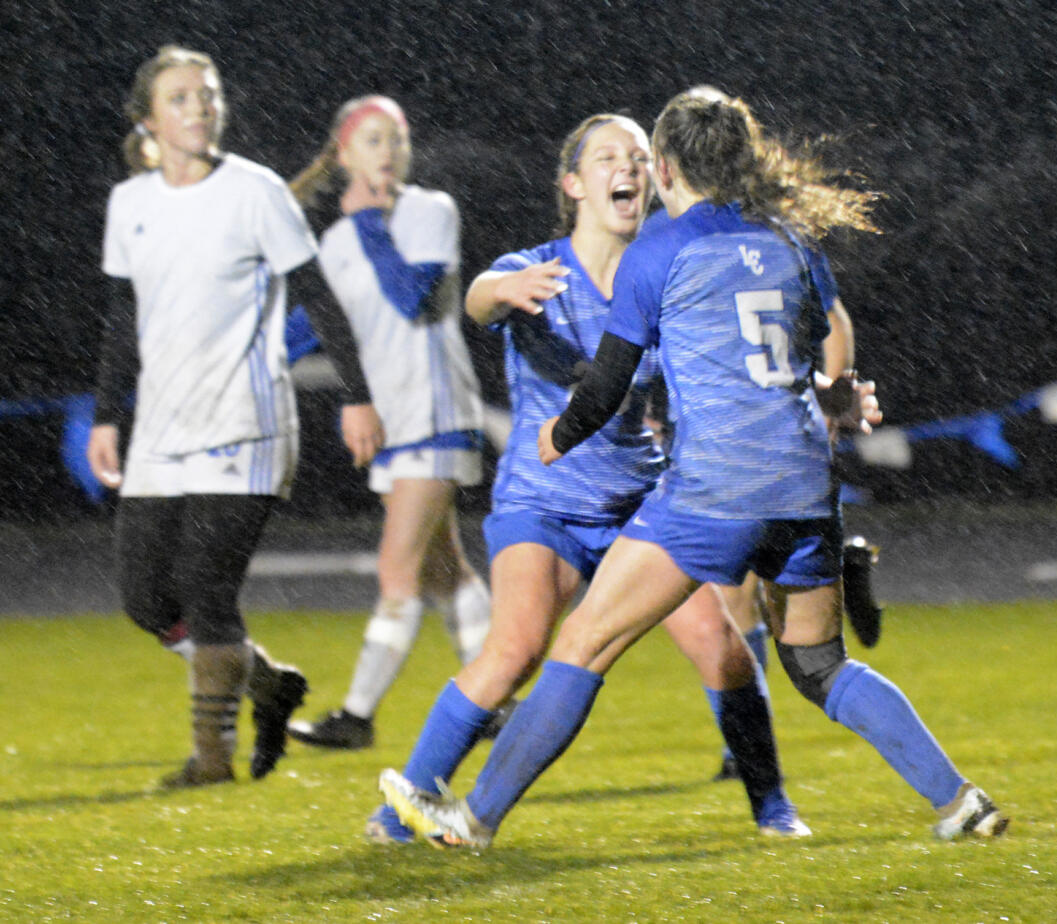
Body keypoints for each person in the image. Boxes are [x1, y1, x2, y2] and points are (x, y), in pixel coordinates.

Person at [381, 89, 1008, 848]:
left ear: (667, 169)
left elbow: (607, 384)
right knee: (817, 666)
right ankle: (959, 801)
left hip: (713, 493)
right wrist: (835, 397)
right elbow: (798, 353)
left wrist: (564, 432)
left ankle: (473, 820)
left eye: (642, 159)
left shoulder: (660, 251)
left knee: (582, 644)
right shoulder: (788, 242)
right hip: (806, 487)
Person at [370, 112, 806, 844]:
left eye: (638, 155)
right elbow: (478, 294)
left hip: (642, 505)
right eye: (607, 157)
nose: (627, 167)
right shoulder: (538, 268)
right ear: (574, 184)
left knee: (723, 650)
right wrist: (498, 292)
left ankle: (774, 809)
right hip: (543, 505)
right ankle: (398, 810)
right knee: (514, 649)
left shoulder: (669, 273)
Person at [87, 46, 383, 788]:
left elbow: (317, 293)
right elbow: (124, 316)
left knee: (207, 590)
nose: (197, 108)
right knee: (147, 599)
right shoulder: (132, 204)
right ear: (148, 117)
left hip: (247, 422)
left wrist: (357, 395)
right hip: (160, 426)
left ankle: (210, 763)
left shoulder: (254, 192)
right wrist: (104, 416)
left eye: (207, 95)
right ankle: (268, 684)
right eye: (180, 98)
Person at [282, 96, 493, 752]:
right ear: (343, 154)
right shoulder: (338, 239)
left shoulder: (429, 210)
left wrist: (372, 224)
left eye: (396, 138)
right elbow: (319, 324)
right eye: (372, 139)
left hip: (434, 412)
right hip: (393, 420)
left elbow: (414, 297)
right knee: (444, 571)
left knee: (396, 570)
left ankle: (358, 715)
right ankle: (496, 701)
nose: (387, 151)